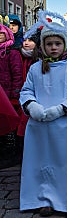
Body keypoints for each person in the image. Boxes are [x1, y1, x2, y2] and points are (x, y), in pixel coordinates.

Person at [19, 20, 67, 216]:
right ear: (43, 46)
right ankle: (44, 198)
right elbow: (26, 90)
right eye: (49, 44)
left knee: (66, 162)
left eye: (57, 44)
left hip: (66, 125)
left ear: (64, 45)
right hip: (40, 126)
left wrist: (61, 109)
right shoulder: (35, 68)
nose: (53, 48)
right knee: (42, 161)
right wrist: (31, 105)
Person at [0, 24, 23, 168]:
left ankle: (11, 152)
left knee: (11, 124)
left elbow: (17, 73)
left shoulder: (11, 52)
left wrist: (15, 91)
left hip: (8, 94)